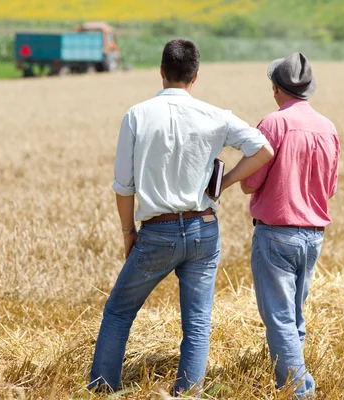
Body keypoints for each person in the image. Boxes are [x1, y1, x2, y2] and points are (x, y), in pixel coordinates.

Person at [88, 39, 273, 395]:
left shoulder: (137, 115)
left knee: (118, 313)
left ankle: (100, 391)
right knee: (198, 323)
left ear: (161, 72)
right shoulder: (216, 115)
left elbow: (124, 186)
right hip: (204, 229)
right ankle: (187, 394)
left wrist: (128, 233)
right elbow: (263, 149)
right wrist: (225, 184)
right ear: (195, 76)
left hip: (156, 232)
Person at [240, 53, 340, 398]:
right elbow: (329, 188)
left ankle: (299, 392)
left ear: (275, 88)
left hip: (277, 234)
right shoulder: (328, 127)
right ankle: (295, 384)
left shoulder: (273, 124)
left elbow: (250, 183)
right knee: (294, 317)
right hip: (314, 236)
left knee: (280, 319)